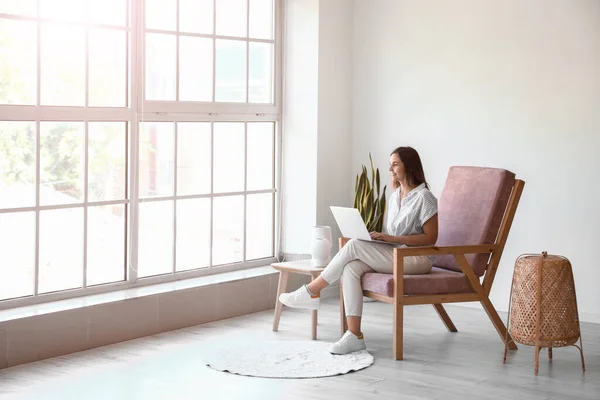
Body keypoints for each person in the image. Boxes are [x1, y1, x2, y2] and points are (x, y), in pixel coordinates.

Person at [279, 146, 439, 355]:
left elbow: (430, 238)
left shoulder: (424, 197)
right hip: (396, 253)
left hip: (417, 260)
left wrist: (392, 238)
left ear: (409, 166)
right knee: (352, 267)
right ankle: (354, 335)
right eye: (390, 163)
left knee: (353, 245)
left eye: (395, 163)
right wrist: (382, 238)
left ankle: (311, 291)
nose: (390, 168)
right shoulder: (395, 196)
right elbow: (395, 236)